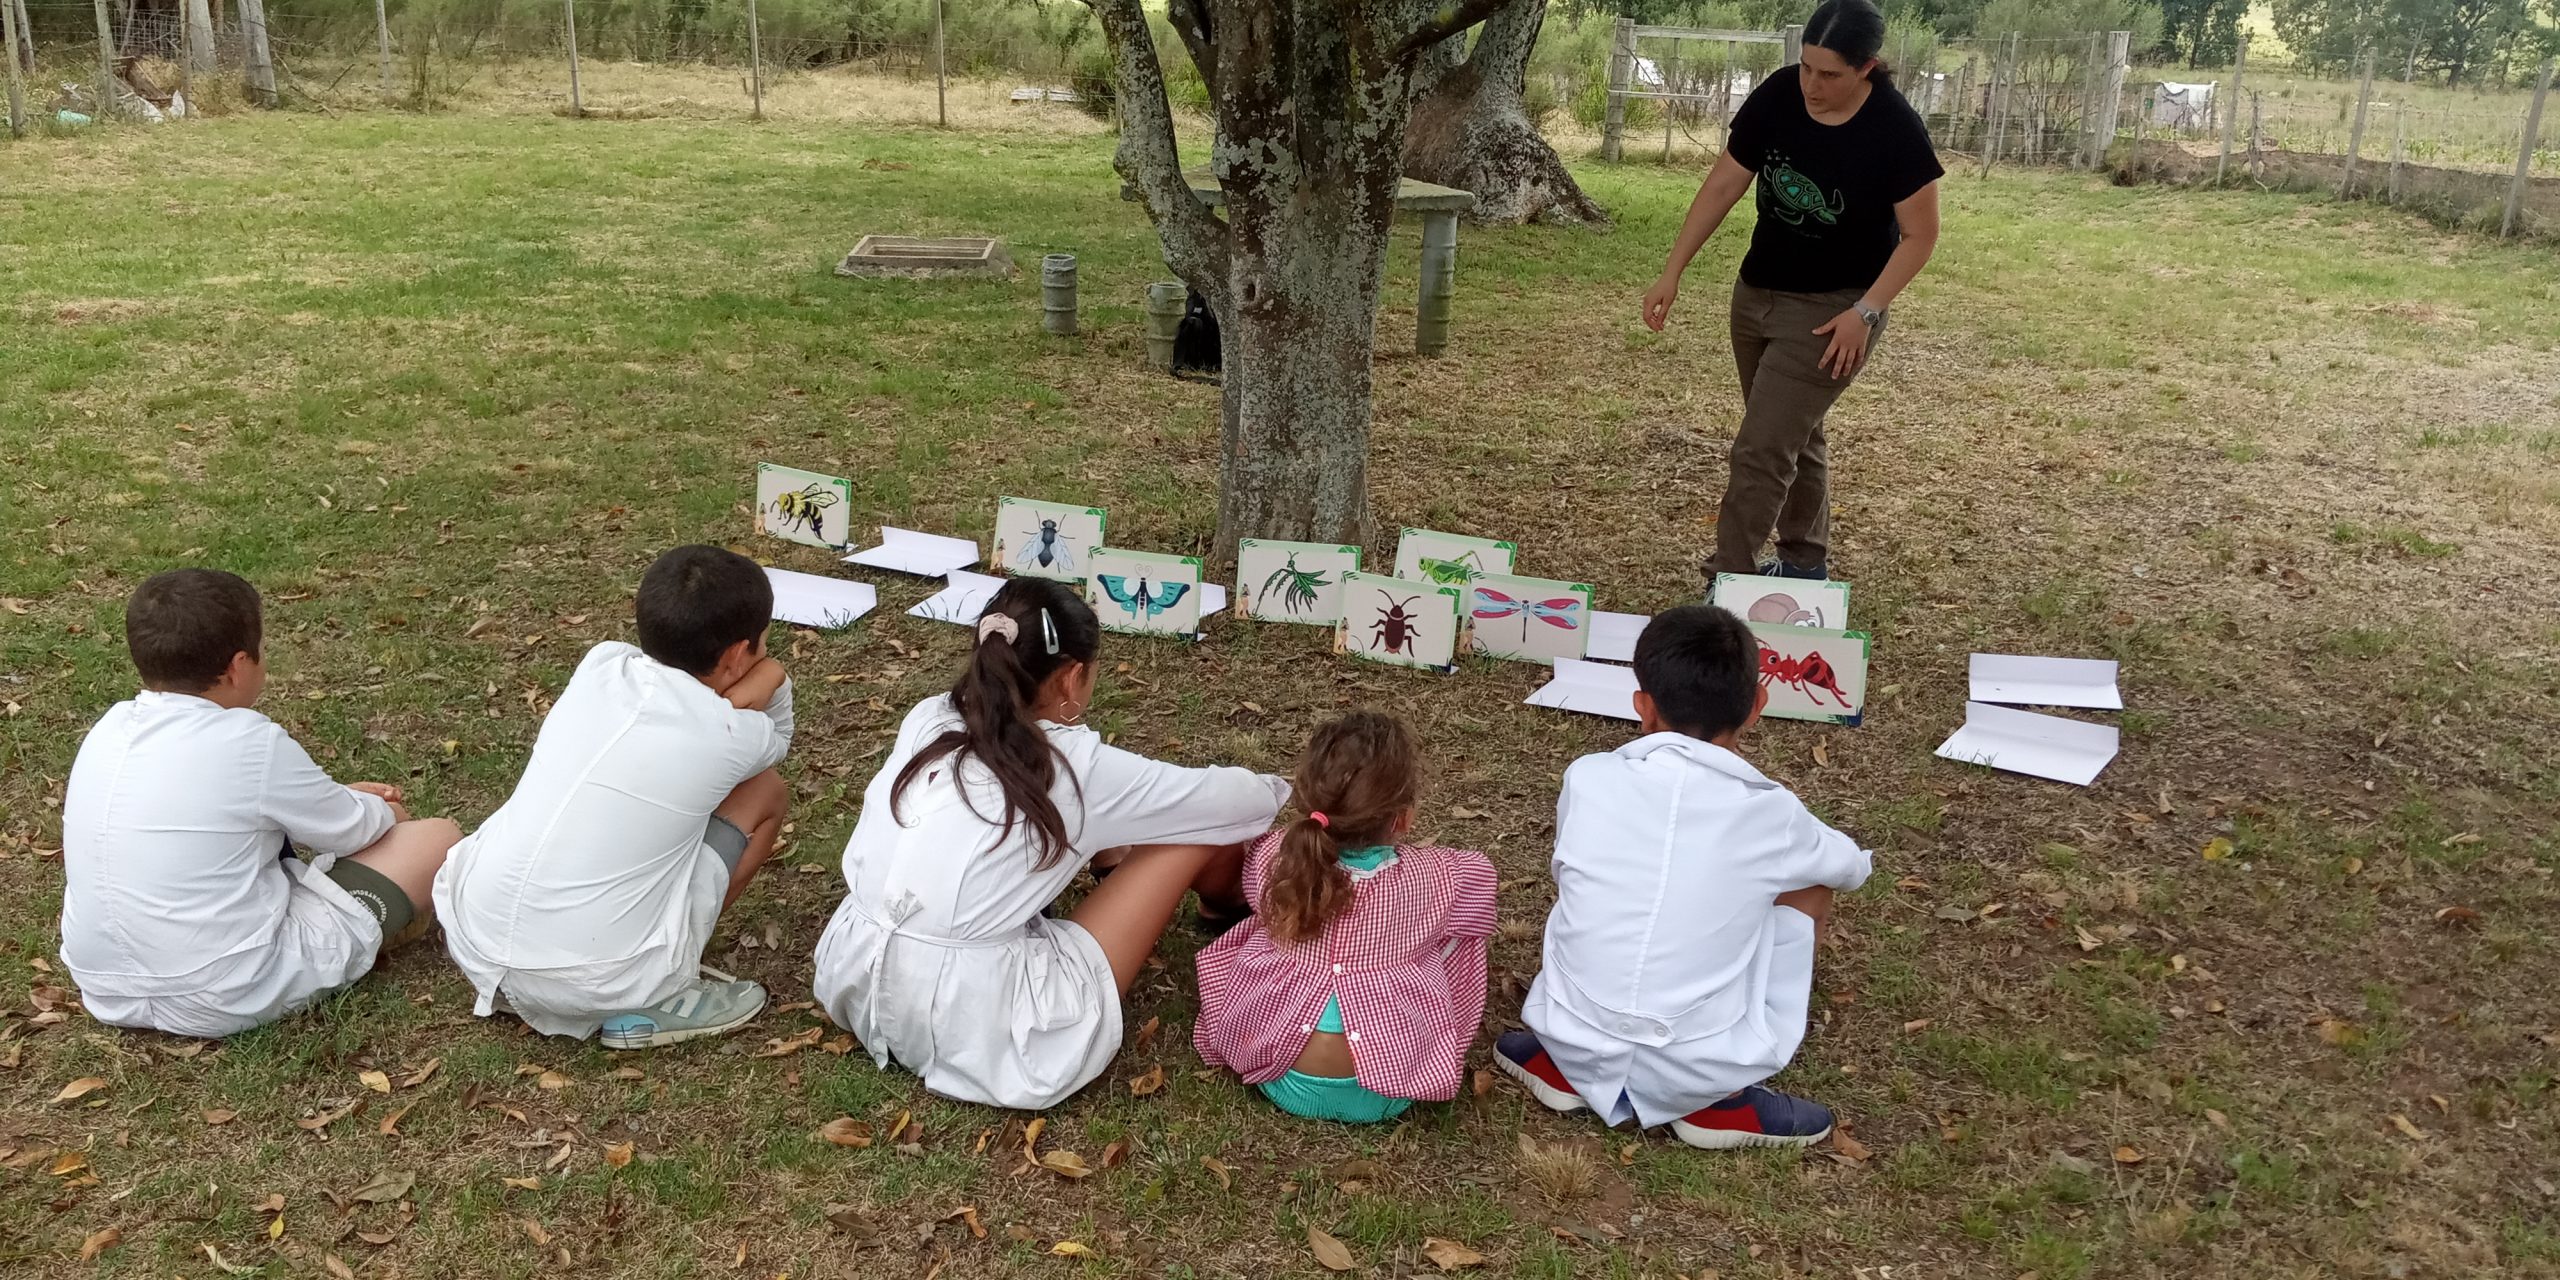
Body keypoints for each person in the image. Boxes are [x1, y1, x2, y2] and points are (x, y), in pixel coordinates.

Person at [811, 579, 1287, 1111]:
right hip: (978, 1025)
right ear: (1073, 676)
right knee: (1190, 831)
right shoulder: (1072, 767)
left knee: (1101, 826)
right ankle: (1225, 910)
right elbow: (1236, 803)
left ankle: (1123, 868)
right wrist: (1291, 787)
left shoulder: (929, 716)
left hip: (854, 977)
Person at [1494, 605, 1873, 1149]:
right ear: (1757, 707)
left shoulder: (1588, 776)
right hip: (1702, 1062)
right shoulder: (1772, 814)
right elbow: (1850, 868)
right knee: (1810, 883)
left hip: (1569, 1032)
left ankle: (1568, 1066)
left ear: (1642, 707)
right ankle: (1719, 1100)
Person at [58, 569, 460, 1039]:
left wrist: (333, 799)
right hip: (227, 992)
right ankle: (371, 931)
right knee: (435, 837)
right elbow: (352, 830)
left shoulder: (108, 729)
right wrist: (382, 809)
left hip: (105, 988)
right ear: (238, 665)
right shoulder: (249, 739)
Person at [435, 545, 793, 1049]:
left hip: (472, 936)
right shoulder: (732, 734)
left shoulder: (600, 663)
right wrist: (773, 673)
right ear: (737, 655)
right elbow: (776, 736)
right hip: (594, 980)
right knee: (766, 792)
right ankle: (665, 991)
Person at [1640, 0, 1944, 583]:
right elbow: (1724, 182)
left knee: (1761, 449)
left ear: (1867, 68)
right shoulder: (1780, 94)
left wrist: (1867, 311)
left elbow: (1920, 236)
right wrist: (1672, 269)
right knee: (1790, 434)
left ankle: (1726, 583)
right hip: (1756, 295)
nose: (1812, 84)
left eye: (1829, 74)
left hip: (1835, 311)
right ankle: (1805, 565)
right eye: (1806, 66)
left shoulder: (1894, 128)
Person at [1194, 712, 1497, 1124]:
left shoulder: (1273, 857)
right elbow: (1481, 894)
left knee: (1266, 927)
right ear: (1403, 817)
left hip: (1277, 1072)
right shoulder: (1444, 876)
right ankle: (1434, 1043)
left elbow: (1253, 894)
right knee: (1464, 933)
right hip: (1384, 1090)